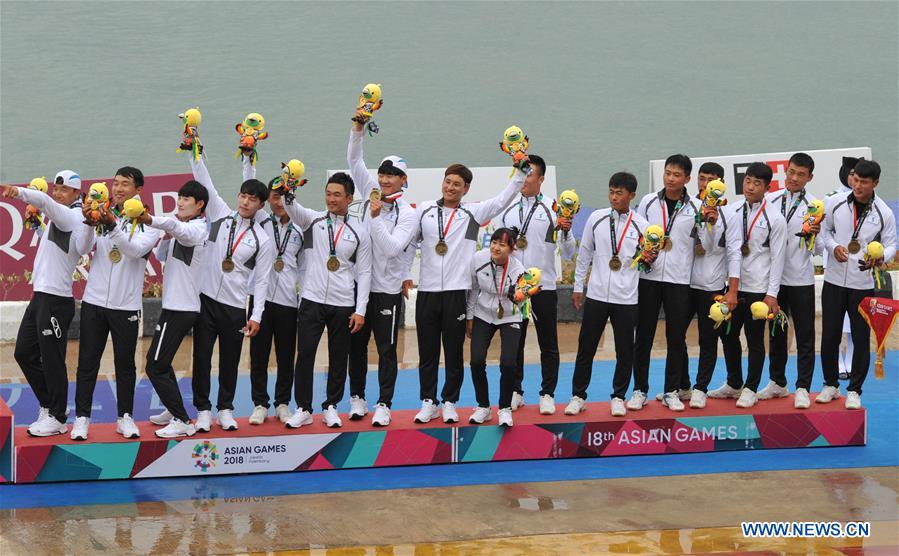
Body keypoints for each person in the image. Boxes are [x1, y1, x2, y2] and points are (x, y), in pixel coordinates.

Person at [412, 160, 526, 424]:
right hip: (427, 291)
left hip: (456, 293)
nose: (451, 187)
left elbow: (502, 200)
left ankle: (449, 402)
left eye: (457, 184)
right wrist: (404, 274)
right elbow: (409, 241)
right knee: (427, 352)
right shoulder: (425, 210)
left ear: (466, 189)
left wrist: (520, 173)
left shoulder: (472, 213)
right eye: (448, 182)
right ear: (442, 182)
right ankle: (428, 401)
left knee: (454, 352)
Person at [72, 167, 162, 440]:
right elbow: (82, 248)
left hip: (126, 306)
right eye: (116, 183)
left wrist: (111, 225)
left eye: (125, 184)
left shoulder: (149, 223)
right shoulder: (101, 212)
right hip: (94, 301)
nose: (118, 189)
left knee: (125, 365)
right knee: (87, 363)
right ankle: (82, 418)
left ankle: (125, 417)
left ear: (138, 190)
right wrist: (88, 222)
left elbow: (134, 251)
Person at [188, 155, 274, 432]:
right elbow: (204, 180)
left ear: (260, 205)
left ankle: (225, 409)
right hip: (206, 300)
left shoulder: (263, 240)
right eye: (243, 196)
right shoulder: (220, 215)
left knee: (230, 361)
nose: (245, 202)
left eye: (252, 199)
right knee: (201, 357)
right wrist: (194, 150)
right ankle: (203, 410)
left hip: (235, 307)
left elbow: (262, 281)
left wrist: (256, 315)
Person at [283, 172, 372, 429]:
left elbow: (365, 272)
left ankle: (331, 406)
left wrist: (360, 310)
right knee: (305, 354)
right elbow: (292, 207)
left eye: (337, 195)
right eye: (328, 194)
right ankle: (303, 408)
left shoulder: (360, 231)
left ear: (349, 199)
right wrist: (289, 189)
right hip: (311, 299)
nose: (331, 199)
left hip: (343, 302)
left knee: (338, 357)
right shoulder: (312, 220)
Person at [3, 171, 85, 436]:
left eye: (64, 190)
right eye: (55, 189)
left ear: (76, 193)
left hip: (57, 300)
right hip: (41, 296)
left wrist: (19, 192)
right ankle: (49, 405)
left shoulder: (74, 215)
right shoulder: (61, 217)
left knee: (53, 360)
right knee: (23, 353)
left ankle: (58, 417)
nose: (57, 193)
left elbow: (47, 203)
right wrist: (37, 224)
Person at [346, 122, 417, 426]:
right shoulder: (369, 191)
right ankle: (357, 398)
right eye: (383, 174)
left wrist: (374, 218)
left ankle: (384, 403)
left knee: (387, 350)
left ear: (403, 180)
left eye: (392, 175)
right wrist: (358, 128)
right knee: (356, 347)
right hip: (358, 287)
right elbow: (354, 160)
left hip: (387, 290)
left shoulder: (408, 214)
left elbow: (391, 249)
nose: (385, 180)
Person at [566, 172, 650, 417]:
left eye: (619, 193)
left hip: (627, 298)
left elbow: (646, 264)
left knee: (625, 351)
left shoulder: (643, 226)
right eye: (611, 192)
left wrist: (650, 258)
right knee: (586, 348)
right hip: (597, 295)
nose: (614, 197)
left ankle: (618, 396)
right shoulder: (596, 218)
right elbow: (584, 254)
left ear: (631, 195)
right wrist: (578, 287)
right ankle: (578, 396)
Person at [497, 154, 576, 415]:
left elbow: (568, 252)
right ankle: (516, 391)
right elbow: (500, 248)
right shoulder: (508, 208)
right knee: (514, 343)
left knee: (548, 343)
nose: (524, 178)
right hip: (516, 288)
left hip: (544, 288)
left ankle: (547, 393)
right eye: (521, 172)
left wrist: (566, 230)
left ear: (541, 179)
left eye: (529, 173)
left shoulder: (554, 209)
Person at [819, 159, 896, 409]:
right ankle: (830, 385)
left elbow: (892, 245)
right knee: (830, 335)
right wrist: (833, 247)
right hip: (833, 280)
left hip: (863, 284)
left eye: (864, 182)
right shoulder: (836, 203)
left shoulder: (884, 213)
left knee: (861, 338)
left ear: (875, 183)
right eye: (855, 180)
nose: (858, 186)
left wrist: (881, 257)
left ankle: (854, 390)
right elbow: (824, 231)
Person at [630, 154, 700, 412]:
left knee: (676, 338)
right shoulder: (648, 202)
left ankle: (671, 391)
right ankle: (639, 390)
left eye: (677, 175)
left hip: (679, 280)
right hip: (648, 277)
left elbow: (703, 243)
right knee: (643, 336)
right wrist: (642, 256)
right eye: (668, 173)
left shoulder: (697, 207)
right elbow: (637, 236)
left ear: (687, 179)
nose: (671, 179)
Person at [139, 180, 209, 437]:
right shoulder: (183, 228)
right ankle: (173, 408)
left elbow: (177, 227)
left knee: (154, 366)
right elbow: (160, 256)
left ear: (200, 204)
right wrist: (168, 236)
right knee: (162, 362)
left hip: (182, 308)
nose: (180, 202)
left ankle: (182, 420)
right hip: (172, 306)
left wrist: (150, 219)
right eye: (179, 197)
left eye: (186, 199)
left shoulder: (198, 229)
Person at [723, 162, 787, 408]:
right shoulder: (732, 211)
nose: (750, 187)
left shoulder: (775, 219)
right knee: (728, 334)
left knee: (754, 339)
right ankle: (734, 383)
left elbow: (778, 258)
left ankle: (750, 388)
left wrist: (772, 294)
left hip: (758, 289)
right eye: (747, 181)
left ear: (767, 188)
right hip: (733, 285)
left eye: (757, 183)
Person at [761, 153, 821, 408]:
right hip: (774, 281)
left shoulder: (815, 207)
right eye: (792, 172)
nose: (794, 178)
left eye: (801, 174)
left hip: (801, 279)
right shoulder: (770, 200)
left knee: (805, 335)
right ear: (786, 171)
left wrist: (815, 236)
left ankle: (803, 387)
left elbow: (819, 250)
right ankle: (777, 382)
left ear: (810, 177)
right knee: (776, 333)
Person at [246, 174, 305, 426]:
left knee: (285, 356)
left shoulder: (301, 227)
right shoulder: (260, 221)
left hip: (288, 301)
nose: (279, 201)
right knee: (258, 355)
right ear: (267, 199)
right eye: (274, 196)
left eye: (283, 196)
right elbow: (249, 187)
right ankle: (260, 404)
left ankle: (282, 403)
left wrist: (304, 298)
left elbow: (305, 266)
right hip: (259, 300)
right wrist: (249, 160)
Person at [686, 163, 743, 408]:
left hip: (712, 286)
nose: (706, 184)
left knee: (710, 339)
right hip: (684, 283)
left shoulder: (729, 215)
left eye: (712, 180)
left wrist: (732, 290)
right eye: (702, 178)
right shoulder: (687, 207)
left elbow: (733, 253)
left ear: (721, 184)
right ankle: (682, 386)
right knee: (676, 336)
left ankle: (701, 388)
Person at [466, 228, 527, 427]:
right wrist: (469, 317)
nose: (496, 248)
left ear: (511, 249)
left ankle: (505, 408)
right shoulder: (478, 259)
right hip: (483, 313)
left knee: (508, 363)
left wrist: (520, 295)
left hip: (510, 316)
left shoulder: (518, 269)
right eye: (494, 242)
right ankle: (483, 407)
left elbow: (522, 299)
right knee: (476, 361)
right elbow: (473, 289)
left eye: (502, 245)